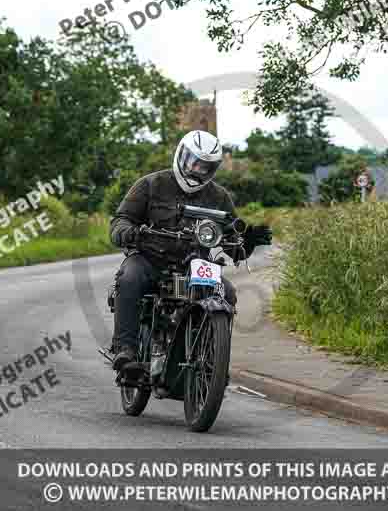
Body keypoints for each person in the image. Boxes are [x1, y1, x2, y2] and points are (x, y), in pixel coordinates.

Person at [108, 130, 272, 371]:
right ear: (181, 156)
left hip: (196, 266)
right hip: (150, 260)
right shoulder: (150, 184)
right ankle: (125, 348)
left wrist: (248, 241)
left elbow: (233, 245)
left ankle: (211, 361)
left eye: (205, 167)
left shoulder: (219, 197)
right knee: (129, 277)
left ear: (213, 169)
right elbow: (120, 220)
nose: (197, 170)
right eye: (193, 162)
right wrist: (130, 232)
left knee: (226, 292)